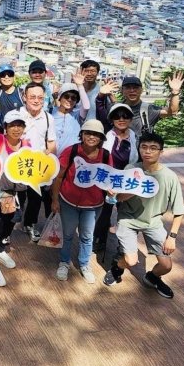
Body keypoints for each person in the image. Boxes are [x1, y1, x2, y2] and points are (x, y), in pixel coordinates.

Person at [104, 133, 184, 299]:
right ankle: (117, 268)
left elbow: (179, 212)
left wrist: (172, 237)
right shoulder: (131, 170)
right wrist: (131, 190)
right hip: (128, 219)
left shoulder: (169, 177)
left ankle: (152, 277)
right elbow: (118, 198)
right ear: (139, 149)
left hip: (153, 222)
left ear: (161, 152)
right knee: (131, 261)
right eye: (144, 147)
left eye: (153, 148)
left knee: (166, 265)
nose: (148, 151)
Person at [51, 120, 114, 284]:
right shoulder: (71, 151)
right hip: (68, 202)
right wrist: (55, 199)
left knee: (87, 236)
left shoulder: (106, 155)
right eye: (88, 133)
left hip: (93, 205)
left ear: (101, 138)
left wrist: (111, 190)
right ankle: (64, 262)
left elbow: (109, 179)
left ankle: (85, 264)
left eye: (96, 135)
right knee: (68, 234)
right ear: (82, 134)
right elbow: (59, 176)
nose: (92, 137)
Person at [0, 89, 30, 287]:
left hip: (19, 194)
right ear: (6, 127)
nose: (16, 129)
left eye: (20, 125)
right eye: (12, 125)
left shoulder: (27, 145)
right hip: (0, 193)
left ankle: (1, 250)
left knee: (10, 227)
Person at [93, 103, 139, 254]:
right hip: (106, 180)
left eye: (125, 116)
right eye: (117, 116)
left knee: (125, 214)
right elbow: (100, 160)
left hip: (125, 181)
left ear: (131, 119)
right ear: (111, 119)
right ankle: (99, 241)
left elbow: (137, 161)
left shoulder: (134, 137)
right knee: (103, 214)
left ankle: (124, 245)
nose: (121, 119)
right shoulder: (106, 135)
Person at [16, 82, 58, 241]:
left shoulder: (48, 118)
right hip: (18, 164)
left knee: (35, 199)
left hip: (38, 167)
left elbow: (51, 142)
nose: (36, 100)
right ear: (24, 97)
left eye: (40, 97)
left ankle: (29, 224)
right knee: (17, 197)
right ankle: (9, 226)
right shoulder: (16, 115)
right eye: (32, 97)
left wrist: (49, 154)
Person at [97, 72, 184, 135]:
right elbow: (116, 104)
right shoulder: (115, 108)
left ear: (141, 90)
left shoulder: (148, 109)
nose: (132, 91)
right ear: (122, 91)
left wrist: (175, 92)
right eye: (128, 88)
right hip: (117, 155)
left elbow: (172, 111)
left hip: (140, 156)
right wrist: (109, 94)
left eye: (135, 88)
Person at [51, 73, 90, 154]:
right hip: (53, 158)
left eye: (73, 98)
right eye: (66, 96)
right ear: (60, 97)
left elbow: (86, 107)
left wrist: (80, 86)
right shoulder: (51, 113)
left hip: (71, 159)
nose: (69, 100)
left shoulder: (77, 115)